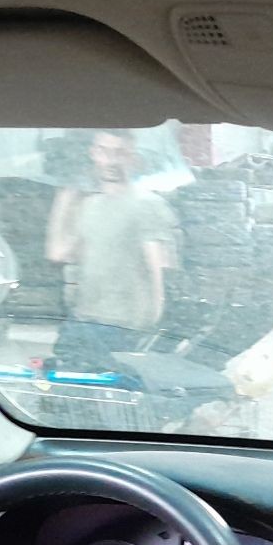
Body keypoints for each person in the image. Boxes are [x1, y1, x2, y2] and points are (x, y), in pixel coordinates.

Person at [45, 130, 181, 371]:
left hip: (123, 325)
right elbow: (59, 253)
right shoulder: (90, 205)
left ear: (132, 158)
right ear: (93, 154)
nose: (111, 160)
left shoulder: (147, 205)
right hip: (83, 319)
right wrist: (64, 200)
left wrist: (153, 322)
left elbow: (159, 268)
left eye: (120, 153)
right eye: (104, 151)